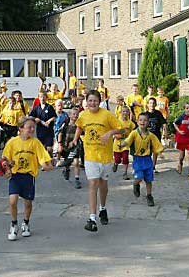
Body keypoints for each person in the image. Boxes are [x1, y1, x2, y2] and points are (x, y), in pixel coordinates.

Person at [71, 90, 123, 232]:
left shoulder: (107, 115)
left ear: (99, 102)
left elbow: (121, 130)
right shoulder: (83, 115)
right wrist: (75, 139)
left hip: (105, 156)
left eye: (95, 101)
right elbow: (79, 126)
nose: (92, 103)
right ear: (86, 102)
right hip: (90, 155)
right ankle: (92, 218)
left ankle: (103, 208)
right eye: (90, 101)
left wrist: (110, 133)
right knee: (93, 183)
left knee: (103, 185)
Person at [2, 116, 54, 241]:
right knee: (12, 201)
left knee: (28, 203)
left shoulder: (35, 142)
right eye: (29, 127)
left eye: (33, 127)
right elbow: (5, 159)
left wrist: (46, 165)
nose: (31, 130)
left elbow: (42, 157)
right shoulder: (12, 142)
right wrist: (7, 169)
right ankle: (14, 224)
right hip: (16, 175)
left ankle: (25, 223)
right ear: (20, 128)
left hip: (29, 176)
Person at [118, 112, 164, 207]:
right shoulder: (134, 133)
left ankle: (149, 196)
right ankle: (136, 184)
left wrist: (160, 152)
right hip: (137, 159)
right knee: (139, 176)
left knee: (148, 179)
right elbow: (128, 140)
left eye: (145, 120)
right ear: (137, 121)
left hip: (147, 159)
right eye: (140, 120)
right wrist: (122, 144)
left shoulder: (151, 135)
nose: (143, 122)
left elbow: (157, 145)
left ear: (148, 123)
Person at [57, 107, 83, 188]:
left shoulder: (79, 125)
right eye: (74, 114)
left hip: (75, 146)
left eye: (77, 114)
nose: (75, 116)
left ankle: (77, 179)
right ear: (70, 115)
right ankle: (67, 170)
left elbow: (83, 133)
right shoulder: (65, 124)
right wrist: (60, 144)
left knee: (76, 162)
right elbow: (60, 134)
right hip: (66, 146)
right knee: (67, 161)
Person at [173, 102, 189, 181]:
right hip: (182, 138)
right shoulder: (181, 117)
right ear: (184, 109)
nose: (188, 110)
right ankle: (180, 164)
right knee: (181, 156)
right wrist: (179, 131)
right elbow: (175, 124)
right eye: (187, 108)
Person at [29, 91, 56, 158]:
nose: (42, 98)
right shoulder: (36, 108)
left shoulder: (49, 107)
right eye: (40, 97)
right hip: (40, 131)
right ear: (38, 98)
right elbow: (31, 116)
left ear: (46, 98)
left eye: (44, 96)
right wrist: (36, 119)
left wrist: (49, 121)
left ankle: (50, 157)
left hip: (49, 130)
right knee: (42, 148)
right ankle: (45, 162)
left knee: (49, 148)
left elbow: (54, 117)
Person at [145, 97, 167, 173]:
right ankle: (148, 166)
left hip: (156, 135)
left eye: (153, 103)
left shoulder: (158, 113)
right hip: (147, 136)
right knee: (148, 152)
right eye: (150, 103)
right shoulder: (145, 114)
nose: (152, 105)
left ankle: (153, 167)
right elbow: (140, 125)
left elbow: (164, 123)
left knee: (155, 151)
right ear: (147, 104)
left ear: (156, 104)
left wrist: (165, 132)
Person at [112, 106, 135, 180]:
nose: (125, 113)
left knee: (125, 158)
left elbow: (133, 132)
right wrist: (116, 135)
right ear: (120, 112)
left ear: (129, 113)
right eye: (123, 111)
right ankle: (116, 163)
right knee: (118, 159)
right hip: (117, 144)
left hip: (125, 143)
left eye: (126, 111)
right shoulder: (116, 121)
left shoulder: (130, 123)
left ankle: (125, 173)